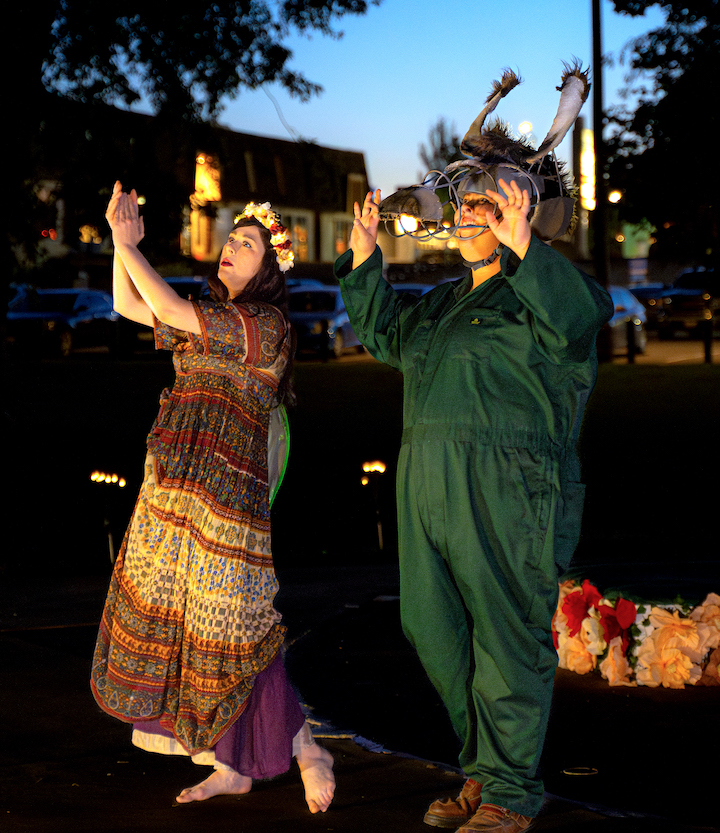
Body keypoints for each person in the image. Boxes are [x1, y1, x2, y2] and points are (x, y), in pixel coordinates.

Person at [335, 175, 613, 832]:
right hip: (426, 488)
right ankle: (486, 766)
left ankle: (509, 791)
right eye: (461, 206)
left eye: (481, 207)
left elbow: (578, 321)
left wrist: (523, 241)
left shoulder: (545, 295)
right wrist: (365, 246)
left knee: (507, 638)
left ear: (520, 215)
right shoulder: (439, 303)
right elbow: (381, 332)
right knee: (431, 628)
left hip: (511, 491)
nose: (463, 217)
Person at [91, 181, 335, 813]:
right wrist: (127, 246)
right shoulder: (209, 316)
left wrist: (127, 245)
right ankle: (229, 765)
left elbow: (167, 308)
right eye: (231, 238)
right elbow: (129, 302)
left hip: (228, 502)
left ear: (270, 267)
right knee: (192, 632)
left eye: (247, 243)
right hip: (174, 491)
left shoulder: (263, 326)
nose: (231, 247)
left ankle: (309, 750)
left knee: (239, 626)